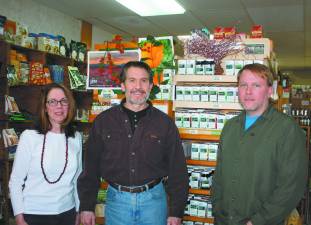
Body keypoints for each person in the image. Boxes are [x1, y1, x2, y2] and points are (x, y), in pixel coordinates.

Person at [78, 61, 189, 225]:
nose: (138, 86)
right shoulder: (104, 121)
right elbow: (90, 167)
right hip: (117, 203)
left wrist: (176, 211)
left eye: (144, 81)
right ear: (122, 86)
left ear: (151, 86)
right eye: (132, 80)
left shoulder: (164, 123)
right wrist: (86, 206)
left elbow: (178, 170)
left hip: (154, 203)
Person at [212, 63, 308, 225]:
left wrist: (258, 221)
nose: (248, 92)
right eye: (243, 85)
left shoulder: (287, 129)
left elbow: (291, 187)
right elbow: (219, 174)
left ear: (270, 90)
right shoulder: (230, 127)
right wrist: (217, 206)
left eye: (256, 85)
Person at [9, 83, 82, 225]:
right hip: (34, 214)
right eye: (52, 102)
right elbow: (16, 181)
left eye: (64, 101)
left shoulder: (76, 137)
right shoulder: (29, 137)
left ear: (70, 105)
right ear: (45, 107)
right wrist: (19, 217)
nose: (59, 106)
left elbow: (77, 179)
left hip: (68, 213)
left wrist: (78, 210)